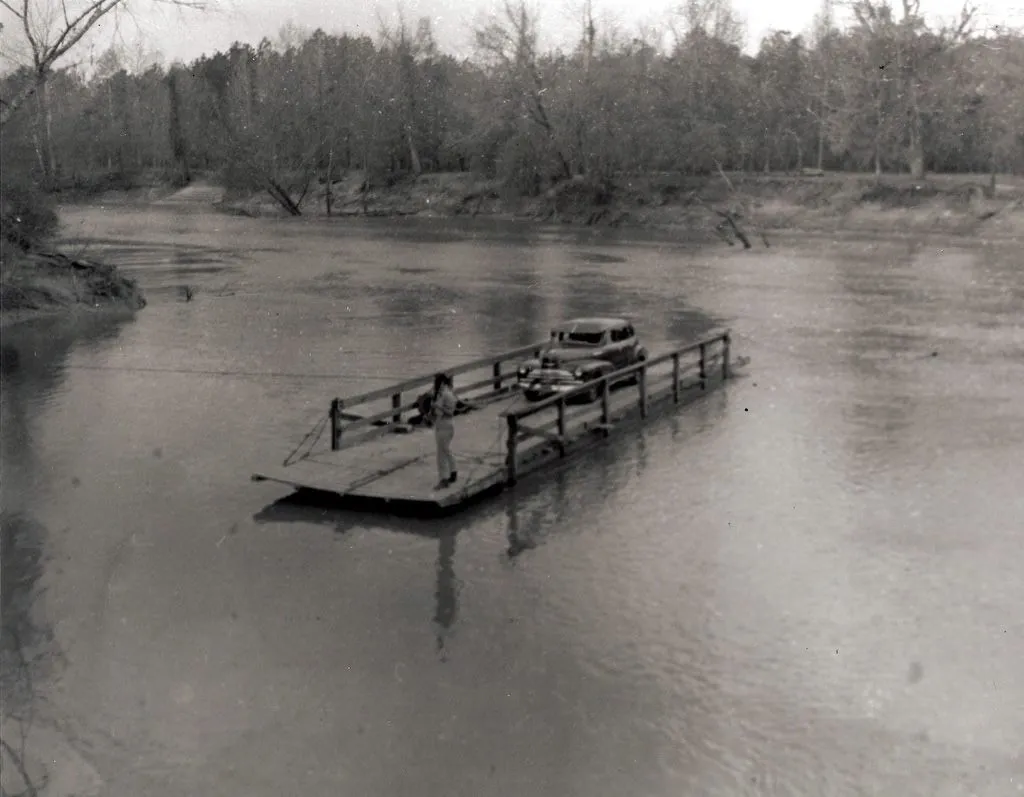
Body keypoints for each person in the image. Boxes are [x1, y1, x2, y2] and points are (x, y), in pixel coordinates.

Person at [430, 372, 458, 490]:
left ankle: (444, 479)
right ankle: (453, 470)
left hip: (445, 425)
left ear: (441, 382)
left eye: (436, 382)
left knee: (441, 453)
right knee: (445, 450)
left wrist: (437, 407)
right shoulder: (443, 394)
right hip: (441, 424)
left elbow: (450, 412)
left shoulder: (446, 395)